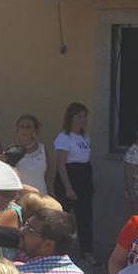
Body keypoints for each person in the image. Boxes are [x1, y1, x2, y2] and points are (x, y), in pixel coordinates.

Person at [50, 102, 95, 263]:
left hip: (84, 176)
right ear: (71, 118)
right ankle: (58, 251)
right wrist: (68, 187)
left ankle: (87, 251)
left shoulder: (85, 137)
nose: (83, 120)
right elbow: (61, 164)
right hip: (69, 176)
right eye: (79, 116)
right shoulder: (64, 137)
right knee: (64, 218)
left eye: (85, 116)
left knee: (85, 217)